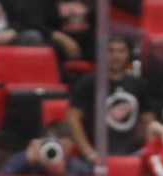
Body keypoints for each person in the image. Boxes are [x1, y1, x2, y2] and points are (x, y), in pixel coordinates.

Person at [66, 35, 153, 163]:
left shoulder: (138, 84)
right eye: (110, 50)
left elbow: (149, 122)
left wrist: (147, 152)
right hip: (94, 156)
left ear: (128, 54)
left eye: (121, 51)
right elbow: (72, 118)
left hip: (132, 156)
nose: (116, 55)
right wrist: (88, 152)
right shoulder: (87, 83)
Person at [0, 120, 94, 176]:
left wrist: (62, 172)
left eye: (61, 146)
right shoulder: (30, 162)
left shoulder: (80, 168)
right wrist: (25, 159)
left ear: (70, 145)